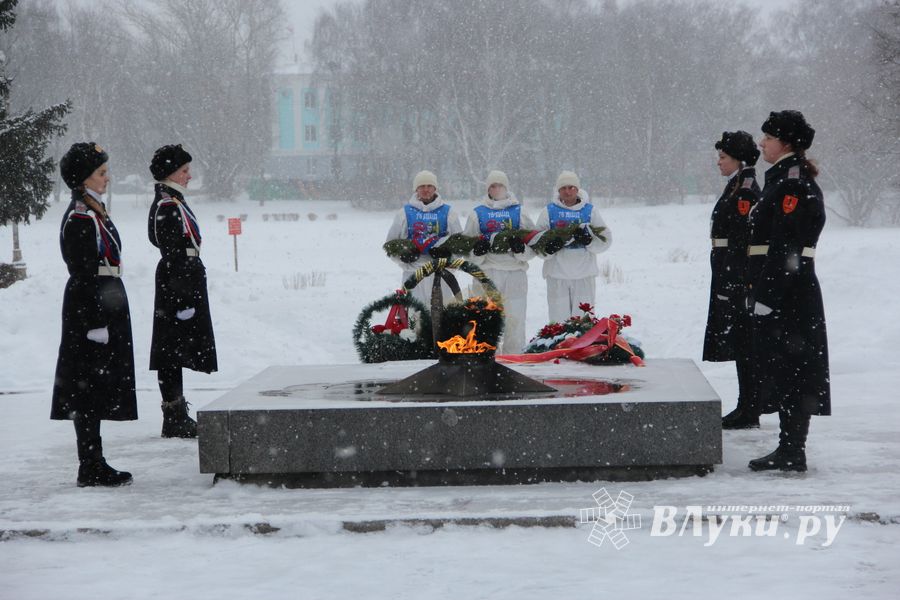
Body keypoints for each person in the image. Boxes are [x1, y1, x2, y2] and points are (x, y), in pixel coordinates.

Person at [747, 110, 830, 472]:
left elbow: (787, 248)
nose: (762, 142)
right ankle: (789, 447)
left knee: (794, 369)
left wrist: (767, 295)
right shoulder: (781, 179)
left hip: (790, 293)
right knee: (785, 368)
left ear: (786, 142)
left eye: (767, 137)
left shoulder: (792, 183)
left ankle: (792, 449)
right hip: (786, 289)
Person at [52, 142, 136, 487]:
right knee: (86, 389)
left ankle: (95, 460)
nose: (107, 178)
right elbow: (84, 273)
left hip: (102, 302)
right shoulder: (81, 217)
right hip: (90, 308)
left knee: (96, 386)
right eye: (101, 172)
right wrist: (95, 323)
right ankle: (90, 464)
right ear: (84, 178)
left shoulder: (93, 211)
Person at [148, 144, 217, 438]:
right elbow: (171, 250)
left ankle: (175, 413)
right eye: (185, 170)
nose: (189, 175)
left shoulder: (173, 201)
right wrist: (183, 298)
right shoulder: (167, 205)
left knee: (174, 349)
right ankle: (173, 415)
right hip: (178, 282)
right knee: (171, 351)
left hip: (183, 279)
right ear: (171, 173)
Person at [703, 131, 761, 429]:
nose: (718, 163)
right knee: (740, 342)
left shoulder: (746, 189)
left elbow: (741, 240)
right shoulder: (737, 185)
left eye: (723, 157)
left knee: (744, 342)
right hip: (727, 270)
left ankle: (749, 407)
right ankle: (747, 404)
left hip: (735, 274)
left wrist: (732, 280)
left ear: (738, 159)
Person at [463, 170, 535, 353]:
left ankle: (514, 358)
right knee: (485, 318)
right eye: (492, 186)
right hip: (487, 272)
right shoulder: (477, 213)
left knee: (515, 319)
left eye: (500, 185)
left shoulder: (520, 211)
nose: (496, 189)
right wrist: (477, 253)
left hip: (515, 273)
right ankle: (485, 358)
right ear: (488, 189)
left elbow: (534, 245)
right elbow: (466, 248)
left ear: (506, 187)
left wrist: (521, 250)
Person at [535, 171, 612, 323]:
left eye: (571, 187)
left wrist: (589, 241)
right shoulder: (549, 211)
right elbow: (536, 241)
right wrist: (548, 248)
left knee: (583, 321)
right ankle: (560, 346)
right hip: (557, 275)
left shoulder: (590, 211)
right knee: (559, 322)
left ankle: (583, 347)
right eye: (563, 188)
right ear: (558, 190)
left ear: (577, 189)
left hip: (584, 274)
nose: (568, 191)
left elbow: (606, 240)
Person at [385, 170, 463, 307]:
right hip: (413, 273)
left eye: (429, 186)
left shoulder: (448, 213)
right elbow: (390, 244)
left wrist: (449, 257)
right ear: (416, 189)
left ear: (435, 188)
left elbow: (461, 244)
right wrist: (404, 258)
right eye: (422, 186)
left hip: (441, 273)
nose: (426, 190)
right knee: (415, 317)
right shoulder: (404, 213)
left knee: (442, 316)